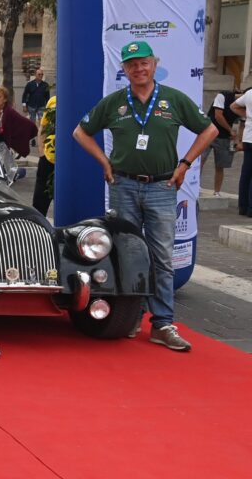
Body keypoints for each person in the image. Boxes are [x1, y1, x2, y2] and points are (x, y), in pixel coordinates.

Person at [72, 41, 217, 352]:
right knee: (126, 254)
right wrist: (104, 162)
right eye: (131, 64)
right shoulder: (113, 103)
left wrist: (185, 164)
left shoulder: (174, 100)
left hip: (163, 188)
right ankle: (131, 316)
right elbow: (80, 132)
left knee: (162, 258)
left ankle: (162, 323)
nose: (138, 68)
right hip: (123, 186)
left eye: (143, 62)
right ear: (124, 70)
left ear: (154, 64)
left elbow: (210, 131)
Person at [0, 86, 37, 180]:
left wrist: (16, 140)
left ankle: (19, 173)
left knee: (7, 175)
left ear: (5, 99)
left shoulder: (9, 112)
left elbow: (29, 125)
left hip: (4, 147)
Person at [203, 88, 243, 196]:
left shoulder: (245, 106)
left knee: (220, 166)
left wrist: (238, 141)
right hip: (208, 132)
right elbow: (218, 115)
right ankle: (196, 187)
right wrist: (230, 130)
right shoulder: (223, 95)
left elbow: (242, 125)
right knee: (200, 161)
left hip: (224, 137)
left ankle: (217, 192)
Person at [33, 95, 57, 216]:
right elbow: (43, 127)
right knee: (39, 201)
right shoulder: (52, 101)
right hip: (48, 159)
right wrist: (41, 151)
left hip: (68, 162)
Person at [230, 90, 252, 217]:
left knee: (246, 173)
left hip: (248, 137)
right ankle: (251, 208)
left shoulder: (249, 93)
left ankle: (243, 207)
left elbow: (233, 106)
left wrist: (247, 115)